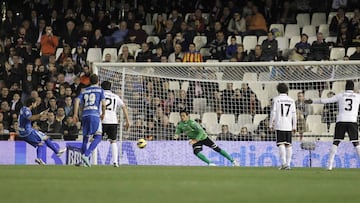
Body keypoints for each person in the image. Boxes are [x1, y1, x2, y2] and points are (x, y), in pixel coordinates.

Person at [305, 80, 360, 170]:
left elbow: (326, 100)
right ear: (353, 88)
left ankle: (329, 165)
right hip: (352, 121)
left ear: (345, 87)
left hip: (341, 120)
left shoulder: (340, 95)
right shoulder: (358, 96)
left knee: (336, 142)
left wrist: (313, 100)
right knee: (356, 143)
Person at [174, 110, 239, 166]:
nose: (182, 117)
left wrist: (196, 140)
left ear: (188, 116)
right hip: (195, 140)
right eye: (181, 116)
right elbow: (178, 131)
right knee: (196, 152)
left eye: (183, 116)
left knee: (217, 149)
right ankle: (210, 163)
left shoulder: (193, 123)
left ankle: (233, 161)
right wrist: (176, 135)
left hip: (203, 138)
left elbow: (201, 131)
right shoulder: (180, 124)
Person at [18, 97, 66, 165]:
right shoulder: (27, 110)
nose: (36, 104)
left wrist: (40, 117)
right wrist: (40, 114)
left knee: (40, 144)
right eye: (35, 103)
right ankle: (57, 151)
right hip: (27, 131)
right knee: (45, 137)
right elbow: (30, 118)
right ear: (32, 103)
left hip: (22, 133)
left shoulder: (23, 109)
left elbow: (28, 119)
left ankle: (39, 158)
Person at [73, 74, 106, 167]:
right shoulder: (100, 90)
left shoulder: (84, 90)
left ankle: (83, 162)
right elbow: (103, 104)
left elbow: (76, 100)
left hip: (85, 115)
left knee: (85, 138)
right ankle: (86, 155)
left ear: (89, 81)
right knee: (98, 136)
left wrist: (75, 114)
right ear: (98, 81)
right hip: (95, 115)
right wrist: (103, 113)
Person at [101, 81, 130, 167]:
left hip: (102, 120)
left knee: (95, 139)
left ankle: (87, 159)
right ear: (110, 87)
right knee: (113, 141)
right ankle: (115, 162)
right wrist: (127, 120)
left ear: (101, 87)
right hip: (113, 121)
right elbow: (123, 107)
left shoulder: (101, 95)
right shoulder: (115, 96)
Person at [269, 83, 297, 170]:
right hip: (288, 125)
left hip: (279, 124)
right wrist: (294, 126)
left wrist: (270, 124)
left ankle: (284, 163)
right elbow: (294, 114)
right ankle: (288, 164)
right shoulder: (291, 100)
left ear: (278, 90)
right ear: (287, 90)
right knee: (288, 145)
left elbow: (273, 112)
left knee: (281, 143)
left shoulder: (276, 99)